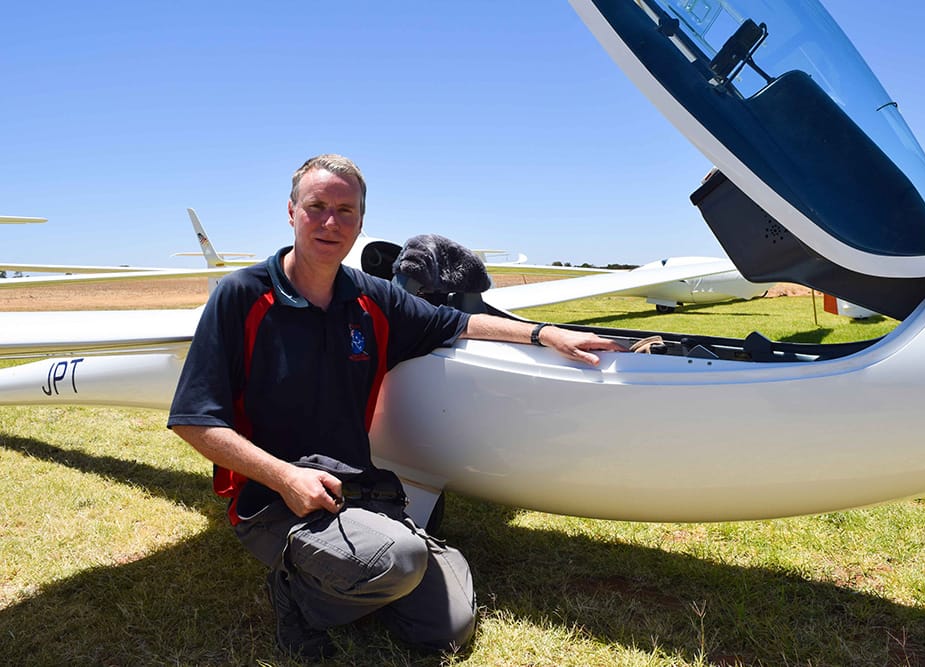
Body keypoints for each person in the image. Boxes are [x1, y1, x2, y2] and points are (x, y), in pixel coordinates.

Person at [167, 154, 623, 660]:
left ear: (361, 222)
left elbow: (456, 322)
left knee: (445, 632)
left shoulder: (372, 298)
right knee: (400, 560)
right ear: (291, 211)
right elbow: (194, 420)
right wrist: (283, 477)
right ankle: (299, 594)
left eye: (345, 210)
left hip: (358, 490)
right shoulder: (241, 295)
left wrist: (545, 333)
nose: (330, 221)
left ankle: (369, 565)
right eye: (316, 206)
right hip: (275, 499)